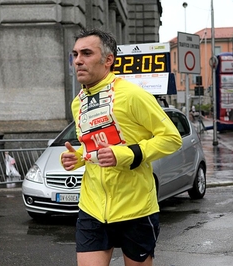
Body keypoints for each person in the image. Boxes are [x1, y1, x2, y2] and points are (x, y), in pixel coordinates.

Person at [61, 28, 182, 266]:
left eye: (86, 53)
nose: (78, 61)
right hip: (92, 207)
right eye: (75, 54)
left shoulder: (133, 95)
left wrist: (125, 154)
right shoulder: (78, 103)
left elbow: (171, 138)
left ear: (108, 60)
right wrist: (78, 158)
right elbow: (93, 147)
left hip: (135, 208)